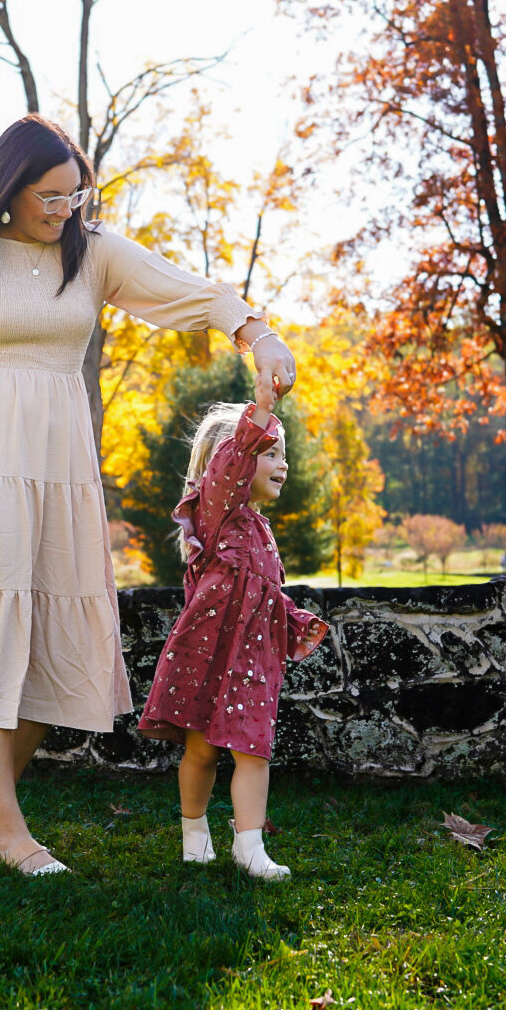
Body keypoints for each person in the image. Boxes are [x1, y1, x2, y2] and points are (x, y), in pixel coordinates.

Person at [0, 114, 298, 876]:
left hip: (60, 468)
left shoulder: (90, 255)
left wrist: (256, 334)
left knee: (49, 640)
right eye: (50, 195)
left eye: (75, 194)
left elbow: (190, 294)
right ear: (9, 186)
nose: (65, 208)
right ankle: (12, 834)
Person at [135, 369, 330, 881]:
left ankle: (250, 847)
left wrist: (292, 617)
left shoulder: (259, 527)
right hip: (208, 654)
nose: (282, 464)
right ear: (232, 463)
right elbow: (233, 460)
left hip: (251, 661)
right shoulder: (217, 510)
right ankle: (194, 835)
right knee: (201, 751)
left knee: (252, 751)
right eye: (271, 452)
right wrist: (261, 407)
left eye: (283, 454)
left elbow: (260, 593)